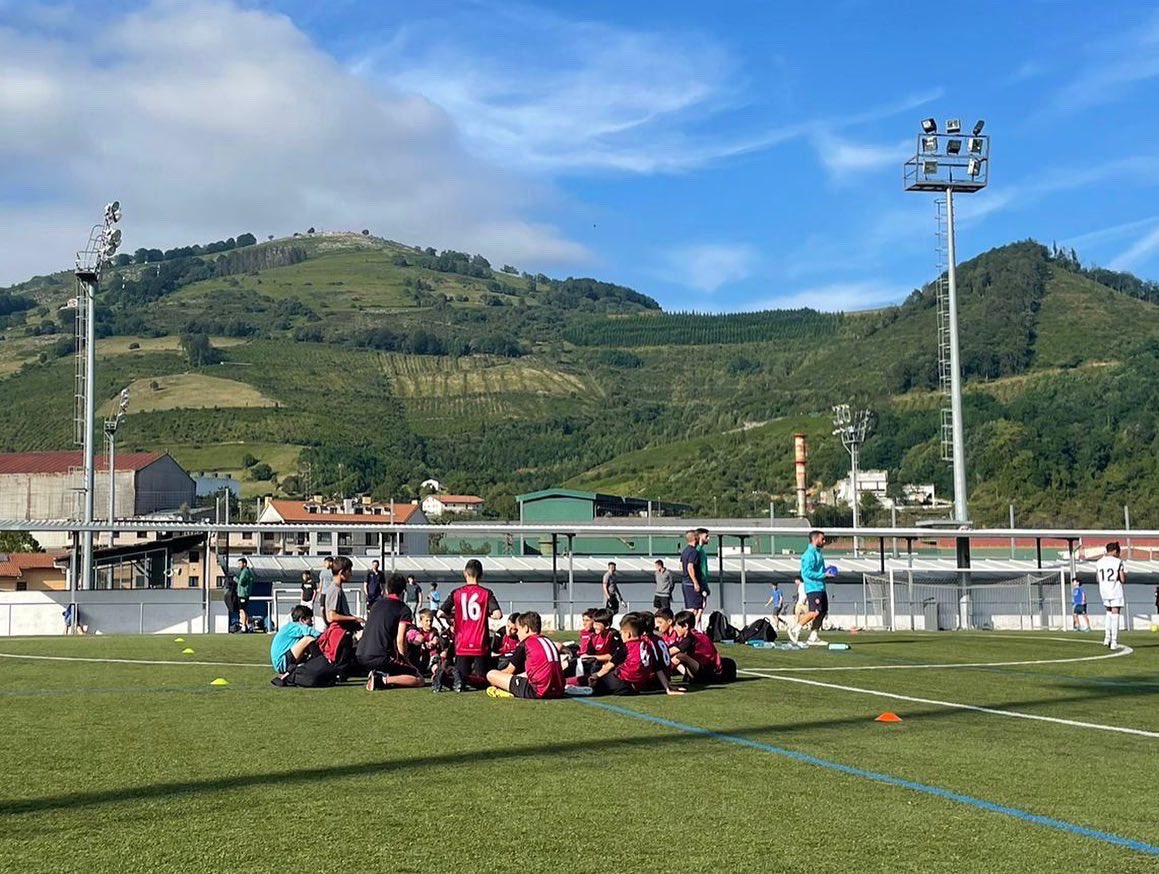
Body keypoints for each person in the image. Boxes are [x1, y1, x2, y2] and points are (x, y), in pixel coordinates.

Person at [439, 559, 502, 690]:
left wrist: (453, 616)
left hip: (461, 642)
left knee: (461, 677)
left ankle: (445, 677)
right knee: (483, 681)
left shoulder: (456, 593)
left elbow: (440, 613)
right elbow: (498, 614)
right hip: (480, 643)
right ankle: (456, 677)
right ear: (481, 575)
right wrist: (485, 614)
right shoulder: (486, 593)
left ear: (465, 573)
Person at [587, 613, 682, 696]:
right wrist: (667, 688)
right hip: (638, 687)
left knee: (591, 681)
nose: (620, 634)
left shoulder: (626, 646)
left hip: (622, 684)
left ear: (628, 634)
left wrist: (596, 675)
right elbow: (658, 668)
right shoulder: (648, 645)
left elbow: (609, 665)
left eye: (622, 632)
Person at [359, 574, 425, 690]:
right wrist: (407, 662)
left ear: (386, 589)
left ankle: (380, 675)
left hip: (360, 654)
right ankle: (382, 680)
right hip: (380, 657)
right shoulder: (403, 609)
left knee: (395, 671)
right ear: (403, 591)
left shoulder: (376, 605)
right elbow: (400, 641)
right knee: (418, 679)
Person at [486, 611, 566, 700]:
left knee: (491, 674)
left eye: (518, 629)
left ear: (526, 629)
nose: (517, 633)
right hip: (559, 689)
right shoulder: (547, 640)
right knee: (525, 674)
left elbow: (508, 671)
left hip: (537, 690)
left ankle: (508, 692)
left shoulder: (525, 644)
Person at [668, 609, 735, 684]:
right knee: (677, 657)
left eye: (676, 626)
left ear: (686, 626)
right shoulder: (691, 635)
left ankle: (660, 676)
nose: (674, 628)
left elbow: (672, 651)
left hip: (711, 671)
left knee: (680, 656)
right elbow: (671, 648)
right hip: (705, 667)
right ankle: (683, 675)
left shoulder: (692, 637)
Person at [788, 530, 829, 646]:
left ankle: (813, 636)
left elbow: (818, 571)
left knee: (822, 612)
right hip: (813, 588)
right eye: (822, 539)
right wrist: (823, 575)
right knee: (814, 612)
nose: (824, 541)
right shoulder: (808, 555)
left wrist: (827, 572)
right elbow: (806, 573)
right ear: (816, 539)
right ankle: (795, 629)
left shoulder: (818, 553)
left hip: (821, 587)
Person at [270, 604, 320, 675]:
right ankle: (322, 663)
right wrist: (324, 635)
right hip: (281, 662)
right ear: (302, 620)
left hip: (284, 659)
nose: (312, 622)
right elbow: (309, 631)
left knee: (307, 643)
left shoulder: (290, 627)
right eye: (310, 619)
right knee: (308, 639)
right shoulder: (294, 627)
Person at [1096, 541, 1126, 651]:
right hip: (1114, 590)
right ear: (1114, 551)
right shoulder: (1118, 562)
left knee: (1108, 612)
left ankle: (1106, 638)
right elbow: (1122, 579)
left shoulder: (1099, 562)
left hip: (1103, 590)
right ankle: (1114, 641)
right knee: (1115, 613)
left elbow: (1097, 578)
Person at [322, 556, 363, 629]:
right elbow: (332, 616)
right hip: (338, 631)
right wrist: (354, 618)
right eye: (349, 571)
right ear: (341, 572)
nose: (351, 574)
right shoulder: (335, 589)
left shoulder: (337, 588)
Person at [679, 530, 704, 622]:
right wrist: (695, 582)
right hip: (691, 583)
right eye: (697, 536)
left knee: (691, 607)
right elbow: (690, 567)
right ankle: (687, 626)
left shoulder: (685, 551)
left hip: (685, 582)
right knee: (694, 609)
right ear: (695, 538)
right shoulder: (693, 552)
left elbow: (681, 566)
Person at [695, 528, 712, 629]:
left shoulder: (702, 551)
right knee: (699, 608)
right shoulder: (698, 550)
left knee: (702, 607)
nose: (709, 538)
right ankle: (694, 627)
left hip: (703, 582)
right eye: (706, 536)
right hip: (701, 583)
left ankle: (699, 628)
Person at [235, 558, 255, 632]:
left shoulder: (245, 572)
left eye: (240, 564)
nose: (239, 565)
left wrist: (235, 579)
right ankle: (247, 626)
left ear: (244, 564)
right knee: (244, 610)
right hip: (244, 594)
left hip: (243, 594)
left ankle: (243, 626)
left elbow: (241, 582)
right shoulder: (246, 571)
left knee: (242, 610)